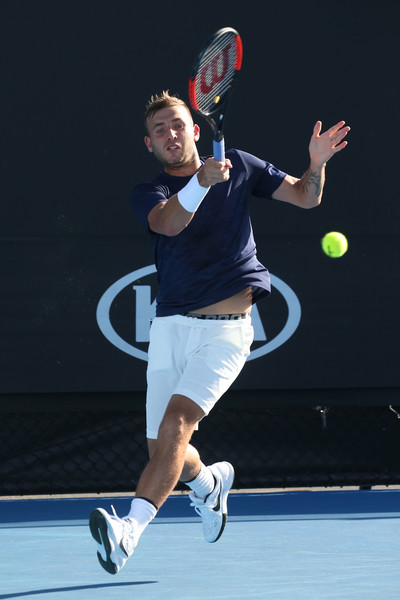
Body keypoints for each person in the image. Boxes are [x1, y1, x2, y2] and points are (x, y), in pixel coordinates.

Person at [89, 91, 349, 574]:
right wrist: (200, 184)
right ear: (149, 144)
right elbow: (168, 225)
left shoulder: (240, 166)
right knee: (165, 453)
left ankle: (129, 530)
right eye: (160, 130)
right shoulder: (150, 192)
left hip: (227, 333)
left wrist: (316, 164)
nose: (171, 134)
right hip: (168, 329)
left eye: (178, 125)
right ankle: (209, 484)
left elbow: (306, 197)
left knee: (176, 426)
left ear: (195, 129)